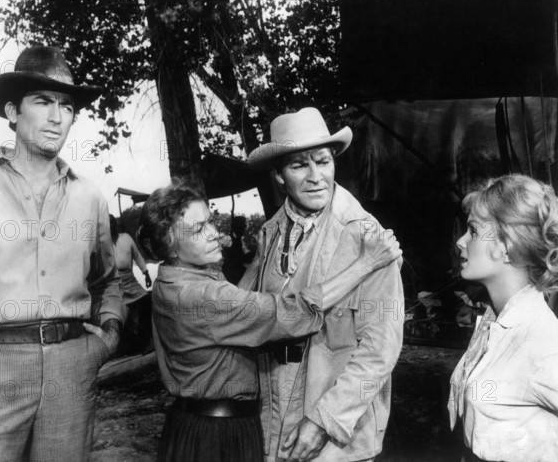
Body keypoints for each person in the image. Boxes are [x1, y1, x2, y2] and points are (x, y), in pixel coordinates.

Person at [136, 179, 401, 462]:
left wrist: (258, 262)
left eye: (210, 222)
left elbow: (231, 312)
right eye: (199, 229)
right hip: (218, 435)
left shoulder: (170, 280)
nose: (214, 233)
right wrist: (365, 264)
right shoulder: (200, 294)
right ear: (170, 245)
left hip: (192, 424)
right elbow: (290, 313)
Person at [0, 46, 126, 462]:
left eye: (66, 106)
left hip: (72, 368)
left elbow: (107, 280)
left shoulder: (89, 196)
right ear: (13, 111)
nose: (56, 117)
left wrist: (108, 337)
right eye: (43, 102)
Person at [241, 107, 405, 461]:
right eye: (300, 165)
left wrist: (324, 421)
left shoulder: (369, 237)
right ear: (279, 174)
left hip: (337, 433)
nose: (316, 176)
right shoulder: (269, 234)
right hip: (272, 418)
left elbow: (381, 349)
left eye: (323, 161)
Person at [448, 174, 558, 462]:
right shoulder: (494, 321)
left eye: (473, 231)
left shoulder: (540, 339)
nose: (461, 242)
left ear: (507, 245)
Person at [109, 214, 153, 354]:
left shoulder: (126, 238)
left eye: (111, 224)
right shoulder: (100, 244)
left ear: (115, 225)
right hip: (114, 288)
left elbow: (138, 256)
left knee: (147, 304)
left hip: (131, 283)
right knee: (122, 319)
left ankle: (149, 341)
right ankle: (127, 346)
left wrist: (146, 274)